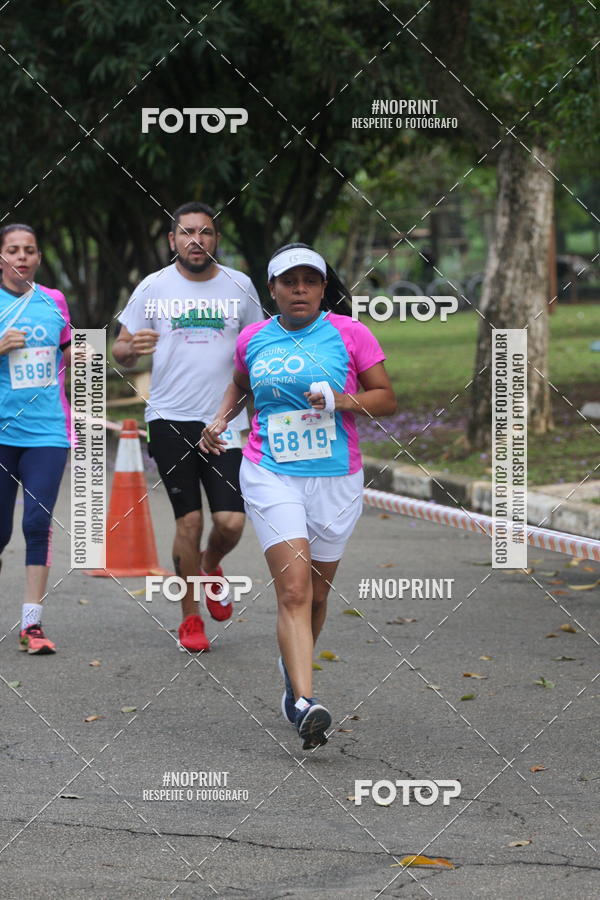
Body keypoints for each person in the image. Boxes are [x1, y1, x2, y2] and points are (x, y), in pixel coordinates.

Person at [200, 243, 396, 749]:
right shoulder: (254, 338)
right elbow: (241, 384)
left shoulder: (350, 333)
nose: (300, 289)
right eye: (290, 282)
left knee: (319, 594)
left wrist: (340, 399)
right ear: (273, 290)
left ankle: (293, 674)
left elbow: (386, 399)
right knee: (293, 591)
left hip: (337, 478)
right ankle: (304, 703)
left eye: (310, 280)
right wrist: (221, 419)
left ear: (324, 287)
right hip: (270, 473)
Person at [113, 201, 263, 652]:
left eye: (206, 232)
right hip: (169, 418)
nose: (197, 239)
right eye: (187, 232)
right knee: (190, 520)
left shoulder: (241, 286)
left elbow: (258, 351)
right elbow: (121, 348)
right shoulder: (153, 287)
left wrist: (259, 417)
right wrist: (129, 349)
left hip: (225, 421)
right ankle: (190, 618)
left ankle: (211, 566)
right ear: (172, 240)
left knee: (231, 522)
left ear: (216, 240)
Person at [0, 223, 72, 654]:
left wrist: (76, 354)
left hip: (48, 431)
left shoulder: (54, 301)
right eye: (13, 250)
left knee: (36, 523)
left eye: (29, 250)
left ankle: (32, 625)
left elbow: (63, 350)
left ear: (39, 258)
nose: (22, 257)